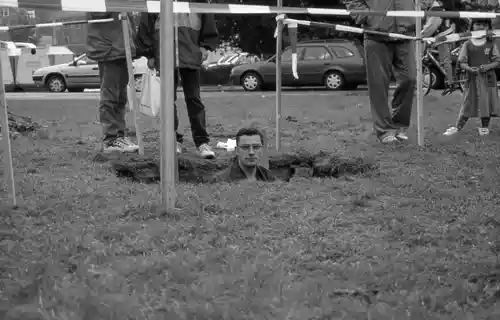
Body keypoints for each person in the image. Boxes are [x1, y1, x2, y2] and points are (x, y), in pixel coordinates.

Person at [135, 8, 219, 159]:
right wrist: (149, 54)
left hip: (190, 54)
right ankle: (173, 140)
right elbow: (146, 24)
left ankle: (202, 143)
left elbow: (207, 19)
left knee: (194, 99)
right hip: (164, 55)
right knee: (168, 101)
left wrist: (205, 47)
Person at [342, 0, 416, 144]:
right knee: (378, 84)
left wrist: (417, 11)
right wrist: (365, 16)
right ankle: (384, 130)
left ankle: (400, 124)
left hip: (405, 34)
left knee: (410, 79)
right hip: (376, 35)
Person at [86, 13, 139, 153]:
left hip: (122, 48)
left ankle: (120, 136)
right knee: (110, 96)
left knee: (121, 97)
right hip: (110, 48)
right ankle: (110, 139)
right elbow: (97, 12)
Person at [443, 19, 500, 137]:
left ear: (488, 27)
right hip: (472, 80)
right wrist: (469, 68)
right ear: (472, 26)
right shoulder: (467, 44)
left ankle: (484, 127)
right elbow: (462, 62)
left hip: (488, 79)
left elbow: (497, 61)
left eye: (484, 25)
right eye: (478, 24)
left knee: (486, 102)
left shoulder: (491, 43)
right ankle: (458, 127)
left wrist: (488, 66)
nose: (481, 27)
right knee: (468, 102)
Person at [210, 127, 275, 183]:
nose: (251, 152)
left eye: (256, 147)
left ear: (262, 150)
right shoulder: (221, 181)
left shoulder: (269, 177)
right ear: (237, 150)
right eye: (245, 147)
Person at [421, 0, 458, 95]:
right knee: (444, 59)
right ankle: (450, 81)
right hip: (445, 36)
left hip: (443, 37)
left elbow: (431, 26)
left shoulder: (435, 10)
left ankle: (451, 83)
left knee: (445, 60)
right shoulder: (438, 8)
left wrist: (420, 36)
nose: (422, 2)